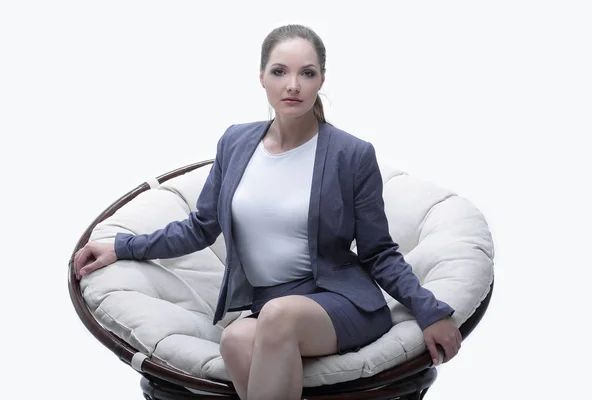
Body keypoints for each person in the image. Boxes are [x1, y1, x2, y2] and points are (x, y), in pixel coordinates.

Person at [73, 24, 462, 400]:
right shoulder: (236, 142)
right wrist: (121, 247)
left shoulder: (351, 155)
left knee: (275, 316)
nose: (293, 85)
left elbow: (378, 251)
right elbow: (200, 226)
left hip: (341, 303)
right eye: (280, 71)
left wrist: (430, 311)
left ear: (322, 80)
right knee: (236, 338)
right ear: (262, 77)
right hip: (273, 307)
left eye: (306, 73)